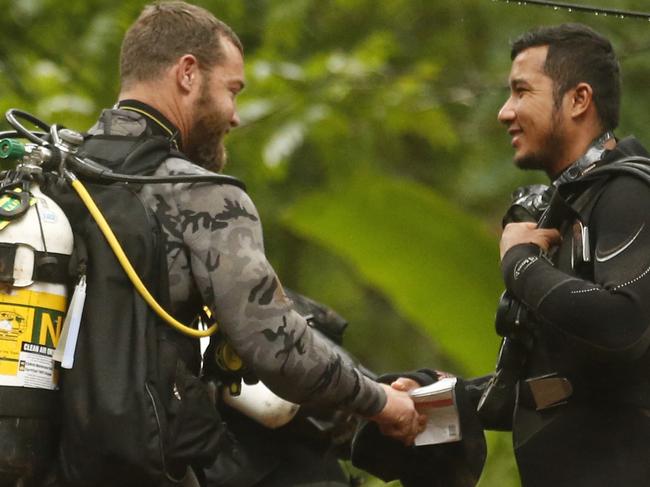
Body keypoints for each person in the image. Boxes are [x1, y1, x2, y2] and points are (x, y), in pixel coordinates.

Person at [85, 1, 425, 486]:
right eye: (232, 90)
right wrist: (380, 400)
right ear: (187, 74)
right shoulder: (200, 193)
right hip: (141, 467)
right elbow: (277, 348)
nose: (236, 116)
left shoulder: (52, 179)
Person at [365, 23, 650, 487]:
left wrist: (518, 262)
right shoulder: (565, 209)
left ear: (579, 100)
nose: (504, 112)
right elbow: (552, 390)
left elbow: (623, 329)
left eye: (521, 92)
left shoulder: (628, 192)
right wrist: (430, 398)